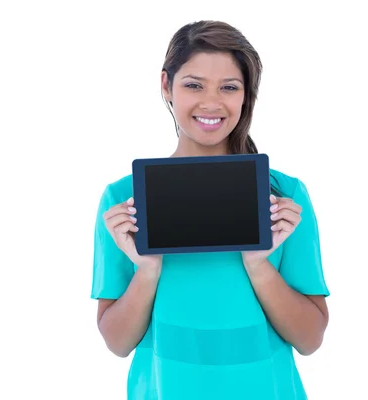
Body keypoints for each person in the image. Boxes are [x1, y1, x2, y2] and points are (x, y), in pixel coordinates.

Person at [90, 20, 330, 400]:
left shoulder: (284, 198)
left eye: (229, 87)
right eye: (193, 85)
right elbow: (118, 343)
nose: (211, 102)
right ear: (166, 85)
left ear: (246, 95)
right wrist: (148, 268)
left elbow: (310, 338)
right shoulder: (124, 201)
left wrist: (258, 263)